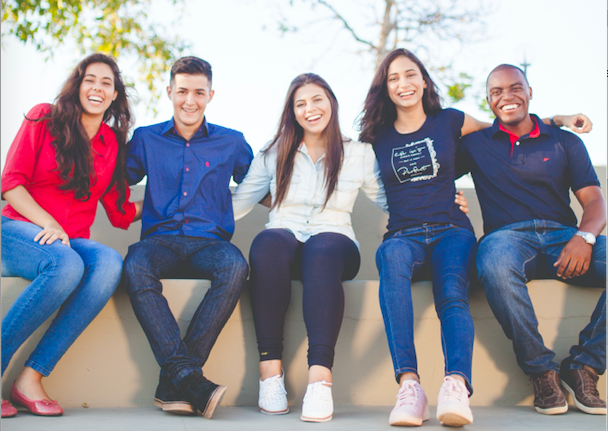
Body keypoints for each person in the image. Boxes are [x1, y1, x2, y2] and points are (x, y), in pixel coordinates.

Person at [357, 48, 588, 427]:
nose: (404, 84)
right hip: (403, 234)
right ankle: (409, 386)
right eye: (394, 78)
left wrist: (558, 119)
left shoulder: (451, 121)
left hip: (452, 230)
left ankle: (456, 385)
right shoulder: (375, 137)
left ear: (424, 80)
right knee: (391, 262)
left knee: (451, 290)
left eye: (411, 74)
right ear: (384, 87)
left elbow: (507, 126)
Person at [231, 73, 392, 422]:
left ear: (331, 102)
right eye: (300, 103)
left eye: (317, 99)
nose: (310, 109)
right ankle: (270, 374)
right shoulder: (274, 153)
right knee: (268, 242)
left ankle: (320, 379)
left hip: (335, 243)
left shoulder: (359, 154)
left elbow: (389, 200)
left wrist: (440, 204)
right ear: (292, 112)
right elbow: (238, 203)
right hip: (284, 241)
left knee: (322, 249)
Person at [457, 64, 605, 416]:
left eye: (515, 88)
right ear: (488, 101)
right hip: (506, 240)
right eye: (496, 92)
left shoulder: (565, 141)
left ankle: (584, 365)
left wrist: (584, 237)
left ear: (529, 92)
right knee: (492, 262)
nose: (506, 97)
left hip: (565, 239)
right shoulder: (475, 144)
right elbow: (433, 151)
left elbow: (595, 201)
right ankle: (541, 372)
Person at [1, 54, 141, 418]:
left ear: (114, 95)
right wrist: (47, 222)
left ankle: (30, 378)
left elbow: (119, 210)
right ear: (78, 85)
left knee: (109, 263)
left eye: (106, 83)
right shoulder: (43, 117)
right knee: (65, 266)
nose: (97, 88)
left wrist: (175, 202)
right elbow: (11, 184)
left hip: (69, 241)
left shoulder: (112, 144)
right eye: (89, 79)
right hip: (19, 227)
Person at [122, 56, 253, 419]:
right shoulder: (146, 138)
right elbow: (114, 180)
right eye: (182, 91)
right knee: (134, 265)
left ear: (211, 94)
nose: (190, 101)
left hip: (210, 243)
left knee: (235, 266)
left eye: (199, 92)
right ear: (169, 92)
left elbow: (264, 183)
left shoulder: (232, 142)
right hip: (159, 241)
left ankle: (177, 380)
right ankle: (190, 380)